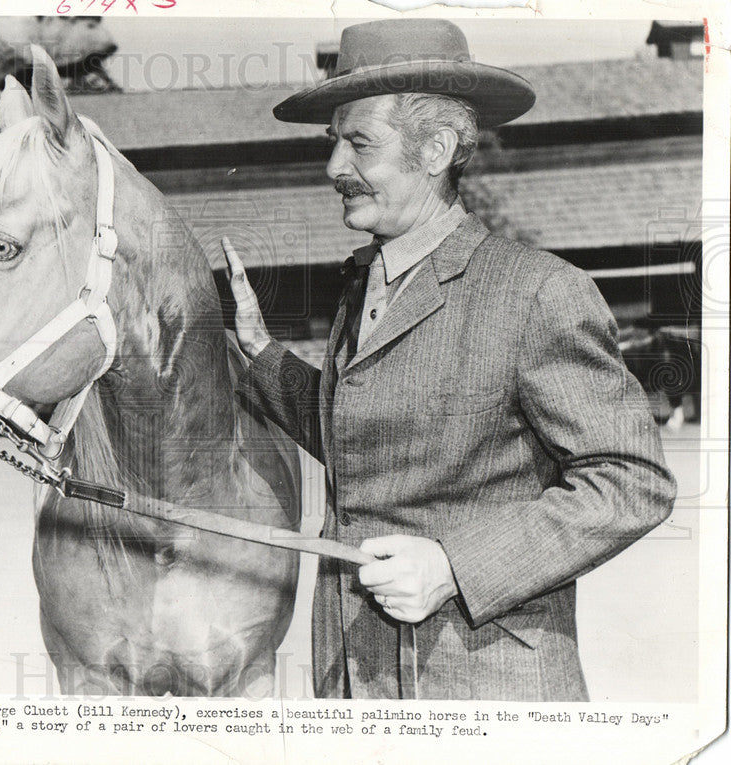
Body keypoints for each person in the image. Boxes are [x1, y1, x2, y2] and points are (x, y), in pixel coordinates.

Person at [222, 19, 677, 701]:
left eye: (359, 144)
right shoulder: (363, 286)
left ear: (434, 149)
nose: (333, 168)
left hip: (483, 691)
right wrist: (260, 352)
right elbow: (371, 446)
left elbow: (633, 480)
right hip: (353, 683)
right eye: (333, 143)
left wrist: (452, 564)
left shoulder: (538, 291)